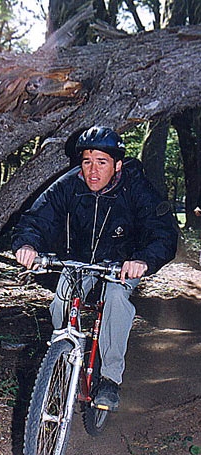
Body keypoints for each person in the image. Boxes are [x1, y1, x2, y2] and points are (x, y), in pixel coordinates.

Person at [12, 126, 178, 411]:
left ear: (117, 165)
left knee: (115, 298)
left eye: (102, 162)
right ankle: (62, 361)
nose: (93, 170)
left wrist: (143, 260)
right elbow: (38, 217)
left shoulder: (136, 188)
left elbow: (162, 232)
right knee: (62, 299)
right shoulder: (68, 184)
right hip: (80, 261)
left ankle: (110, 378)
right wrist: (27, 244)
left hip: (122, 265)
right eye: (87, 161)